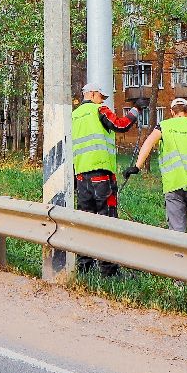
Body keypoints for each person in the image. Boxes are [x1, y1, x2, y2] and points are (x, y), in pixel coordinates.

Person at [125, 96, 187, 237]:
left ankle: (178, 252)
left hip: (173, 183)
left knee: (177, 231)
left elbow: (148, 143)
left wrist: (137, 166)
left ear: (172, 112)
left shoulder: (164, 126)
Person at [71, 82, 139, 275]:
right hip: (101, 175)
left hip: (81, 176)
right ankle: (109, 270)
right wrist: (136, 110)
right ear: (92, 94)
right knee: (107, 221)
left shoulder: (74, 115)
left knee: (86, 221)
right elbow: (121, 125)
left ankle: (84, 266)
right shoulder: (99, 110)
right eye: (101, 96)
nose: (102, 100)